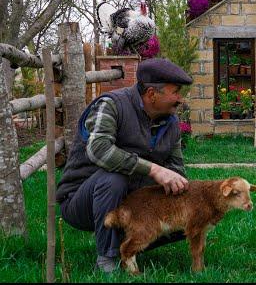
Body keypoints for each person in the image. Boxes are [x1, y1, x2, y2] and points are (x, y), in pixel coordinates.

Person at [56, 58, 193, 272]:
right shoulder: (111, 105)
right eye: (175, 92)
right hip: (83, 200)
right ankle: (107, 261)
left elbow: (175, 169)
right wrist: (154, 170)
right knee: (113, 179)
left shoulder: (171, 123)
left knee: (187, 211)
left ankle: (128, 247)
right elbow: (99, 150)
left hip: (132, 203)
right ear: (151, 94)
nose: (180, 99)